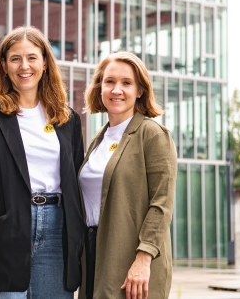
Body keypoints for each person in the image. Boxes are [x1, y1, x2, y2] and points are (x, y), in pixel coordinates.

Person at [0, 26, 86, 299]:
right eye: (15, 58)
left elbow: (76, 181)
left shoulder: (67, 119)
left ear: (45, 63)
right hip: (5, 228)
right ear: (3, 65)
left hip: (57, 233)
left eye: (32, 58)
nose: (24, 66)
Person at [78, 52, 177, 299]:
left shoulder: (152, 134)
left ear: (140, 90)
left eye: (126, 83)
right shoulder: (98, 139)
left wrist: (143, 257)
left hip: (132, 256)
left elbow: (161, 204)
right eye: (109, 81)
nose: (116, 90)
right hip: (93, 254)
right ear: (99, 87)